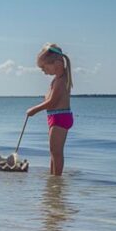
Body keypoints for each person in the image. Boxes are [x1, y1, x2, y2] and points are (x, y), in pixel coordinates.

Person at [26, 43, 73, 176]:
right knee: (53, 151)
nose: (43, 71)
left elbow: (52, 102)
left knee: (56, 152)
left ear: (56, 64)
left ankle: (57, 178)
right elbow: (51, 100)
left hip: (60, 117)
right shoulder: (56, 80)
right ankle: (53, 177)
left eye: (44, 67)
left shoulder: (61, 81)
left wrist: (34, 109)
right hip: (55, 116)